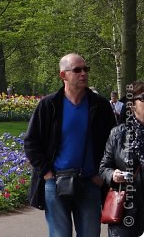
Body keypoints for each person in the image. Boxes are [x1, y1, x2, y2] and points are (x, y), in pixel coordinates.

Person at [24, 53, 116, 237]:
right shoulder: (49, 105)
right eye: (77, 70)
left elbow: (113, 143)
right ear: (63, 75)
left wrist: (101, 175)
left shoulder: (100, 105)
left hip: (90, 183)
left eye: (86, 69)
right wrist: (47, 173)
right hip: (56, 183)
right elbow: (31, 142)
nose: (83, 73)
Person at [99, 80, 144, 237]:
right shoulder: (118, 134)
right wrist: (113, 175)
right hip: (126, 210)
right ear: (132, 105)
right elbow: (104, 167)